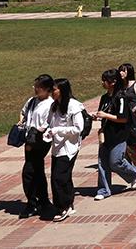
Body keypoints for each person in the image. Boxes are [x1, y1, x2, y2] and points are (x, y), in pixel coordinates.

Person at [93, 69, 136, 200]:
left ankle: (134, 173)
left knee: (115, 162)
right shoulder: (104, 98)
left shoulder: (121, 97)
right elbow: (102, 112)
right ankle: (104, 190)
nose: (102, 83)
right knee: (102, 163)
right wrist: (97, 116)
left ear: (113, 82)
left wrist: (105, 115)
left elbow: (123, 118)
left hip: (119, 136)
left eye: (104, 80)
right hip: (105, 135)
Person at [44, 78, 84, 222]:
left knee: (58, 178)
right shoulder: (54, 106)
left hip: (69, 148)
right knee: (63, 177)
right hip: (57, 148)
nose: (52, 92)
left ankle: (63, 207)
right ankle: (69, 203)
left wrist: (58, 130)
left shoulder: (74, 106)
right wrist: (48, 131)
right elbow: (49, 123)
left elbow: (79, 128)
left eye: (54, 89)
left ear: (62, 90)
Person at [19, 74, 55, 218]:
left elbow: (48, 123)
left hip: (40, 141)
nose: (35, 89)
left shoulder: (50, 104)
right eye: (35, 86)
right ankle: (42, 201)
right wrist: (21, 123)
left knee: (29, 171)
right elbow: (23, 113)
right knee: (37, 170)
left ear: (47, 89)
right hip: (29, 139)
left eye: (38, 87)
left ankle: (33, 203)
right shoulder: (32, 101)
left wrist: (35, 136)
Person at [118, 63, 136, 168]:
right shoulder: (120, 86)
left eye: (124, 70)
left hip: (134, 117)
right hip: (123, 117)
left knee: (135, 139)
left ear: (129, 72)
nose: (121, 72)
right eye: (120, 70)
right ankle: (128, 160)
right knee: (124, 139)